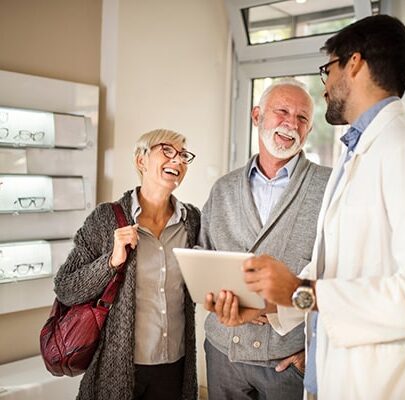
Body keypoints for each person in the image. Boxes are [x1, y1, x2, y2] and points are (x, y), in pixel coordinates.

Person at [243, 15, 405, 400]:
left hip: (397, 384)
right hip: (346, 379)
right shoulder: (357, 153)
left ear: (354, 63)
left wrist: (302, 291)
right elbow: (334, 270)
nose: (326, 86)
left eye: (327, 70)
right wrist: (267, 303)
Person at [200, 78, 331, 399]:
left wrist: (311, 357)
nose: (291, 123)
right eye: (282, 111)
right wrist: (214, 301)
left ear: (309, 131)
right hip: (223, 353)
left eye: (302, 118)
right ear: (256, 115)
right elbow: (201, 263)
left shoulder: (330, 188)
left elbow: (341, 280)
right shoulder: (224, 189)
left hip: (289, 361)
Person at [54, 129, 200, 400]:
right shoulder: (106, 219)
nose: (177, 161)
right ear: (141, 160)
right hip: (119, 368)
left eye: (183, 155)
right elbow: (65, 287)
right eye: (167, 151)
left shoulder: (192, 221)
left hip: (175, 367)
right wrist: (110, 262)